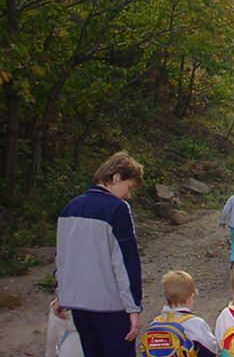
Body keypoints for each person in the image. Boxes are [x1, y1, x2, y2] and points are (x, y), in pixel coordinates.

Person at [55, 150, 144, 356]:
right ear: (116, 177)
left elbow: (62, 258)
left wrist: (61, 294)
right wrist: (133, 308)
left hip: (78, 304)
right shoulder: (117, 209)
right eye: (129, 187)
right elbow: (126, 262)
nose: (128, 195)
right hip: (110, 307)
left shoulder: (70, 208)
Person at [142, 270, 217, 356]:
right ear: (190, 297)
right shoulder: (196, 323)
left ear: (166, 297)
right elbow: (212, 349)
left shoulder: (155, 323)